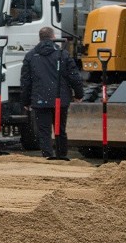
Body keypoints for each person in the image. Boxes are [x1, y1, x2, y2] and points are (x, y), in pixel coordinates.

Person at [20, 26, 84, 159]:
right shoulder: (62, 54)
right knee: (60, 129)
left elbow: (25, 81)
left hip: (40, 100)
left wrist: (25, 101)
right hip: (60, 99)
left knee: (44, 131)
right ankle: (61, 155)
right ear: (53, 37)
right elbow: (74, 76)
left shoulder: (30, 56)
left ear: (40, 38)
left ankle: (47, 156)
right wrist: (79, 94)